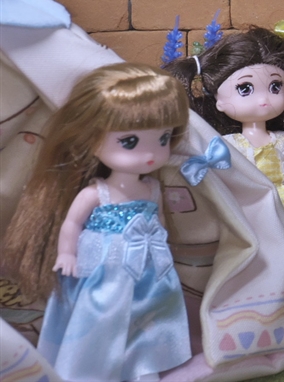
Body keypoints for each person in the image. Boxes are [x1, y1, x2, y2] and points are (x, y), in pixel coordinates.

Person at [4, 63, 192, 381]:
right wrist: (67, 253)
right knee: (100, 314)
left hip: (148, 269)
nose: (151, 154)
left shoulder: (151, 187)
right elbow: (71, 224)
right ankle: (88, 367)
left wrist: (162, 244)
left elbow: (158, 219)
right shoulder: (96, 192)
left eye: (163, 138)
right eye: (130, 141)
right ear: (91, 139)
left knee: (147, 315)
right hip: (104, 266)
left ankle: (139, 366)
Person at [167, 28, 284, 249]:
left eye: (275, 87)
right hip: (250, 201)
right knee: (255, 244)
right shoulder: (229, 144)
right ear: (219, 101)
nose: (264, 99)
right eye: (245, 89)